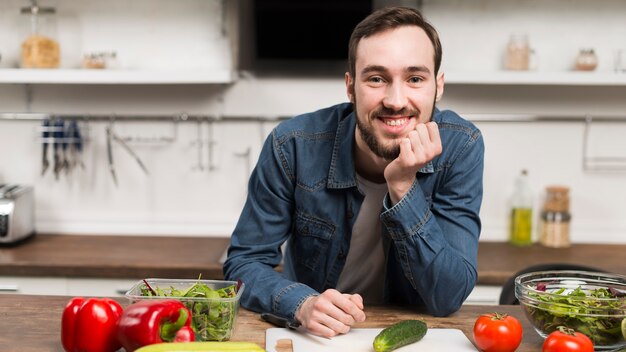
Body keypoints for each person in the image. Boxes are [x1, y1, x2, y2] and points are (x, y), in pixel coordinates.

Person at [224, 6, 484, 338]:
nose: (395, 100)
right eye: (376, 78)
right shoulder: (292, 145)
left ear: (438, 86)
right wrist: (300, 303)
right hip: (316, 336)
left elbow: (448, 297)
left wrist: (403, 187)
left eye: (415, 79)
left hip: (408, 338)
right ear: (350, 86)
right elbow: (244, 264)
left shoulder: (461, 147)